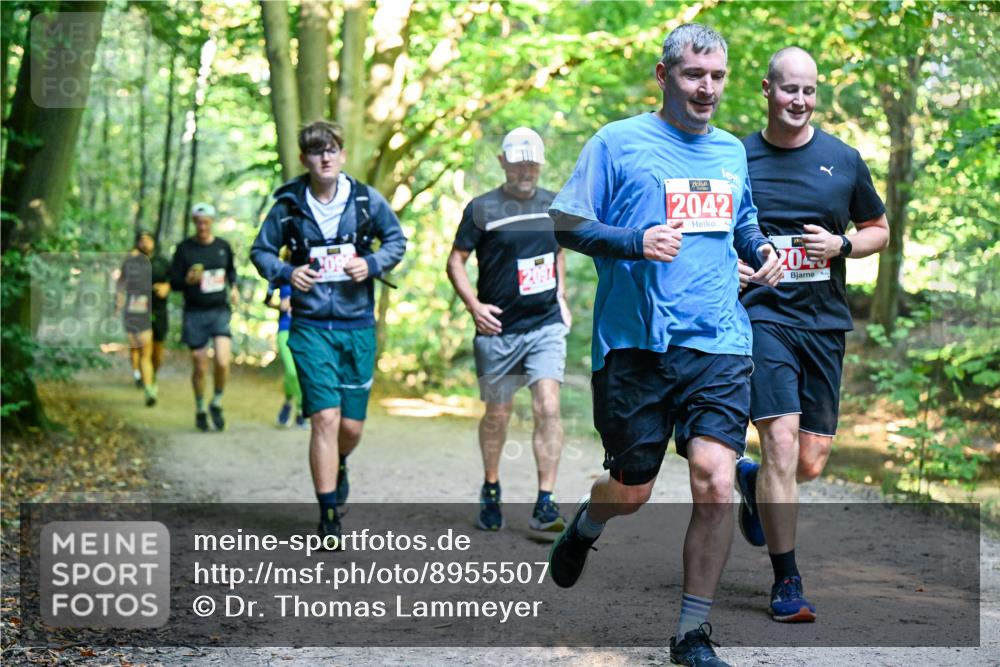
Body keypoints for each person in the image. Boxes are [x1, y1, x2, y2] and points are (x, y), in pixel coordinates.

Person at [546, 24, 782, 667]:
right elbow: (564, 224)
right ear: (664, 75)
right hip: (636, 347)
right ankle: (588, 523)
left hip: (719, 339)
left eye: (717, 76)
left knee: (714, 479)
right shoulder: (616, 142)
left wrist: (760, 249)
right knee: (632, 490)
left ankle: (691, 634)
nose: (707, 88)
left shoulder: (731, 151)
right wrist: (634, 241)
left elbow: (742, 220)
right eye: (693, 75)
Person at [734, 46, 889, 623]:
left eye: (808, 91)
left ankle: (753, 483)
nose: (799, 100)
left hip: (823, 322)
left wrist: (841, 244)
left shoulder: (842, 160)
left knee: (810, 461)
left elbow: (878, 229)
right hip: (762, 315)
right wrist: (732, 266)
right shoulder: (736, 156)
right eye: (788, 89)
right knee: (779, 441)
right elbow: (709, 230)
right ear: (767, 90)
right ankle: (787, 580)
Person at [250, 120, 406, 543]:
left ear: (342, 155)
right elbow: (260, 250)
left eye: (332, 149)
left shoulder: (365, 200)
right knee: (324, 418)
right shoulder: (288, 205)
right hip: (310, 326)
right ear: (304, 158)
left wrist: (371, 264)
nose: (325, 157)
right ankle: (328, 515)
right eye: (317, 151)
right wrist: (287, 272)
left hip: (357, 326)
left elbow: (396, 241)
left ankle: (340, 463)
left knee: (350, 428)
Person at [446, 128, 571, 537]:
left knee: (548, 406)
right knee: (497, 415)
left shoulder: (554, 205)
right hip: (498, 329)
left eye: (532, 165)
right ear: (503, 163)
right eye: (518, 165)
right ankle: (491, 487)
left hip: (544, 324)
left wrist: (561, 294)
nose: (525, 172)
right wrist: (474, 306)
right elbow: (455, 261)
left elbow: (558, 252)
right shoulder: (482, 208)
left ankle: (545, 501)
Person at [169, 203, 239, 432]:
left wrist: (234, 288)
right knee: (199, 365)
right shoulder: (184, 249)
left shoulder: (222, 246)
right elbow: (173, 282)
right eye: (198, 222)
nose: (202, 226)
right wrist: (187, 280)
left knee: (222, 360)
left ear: (212, 222)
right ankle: (200, 408)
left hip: (219, 310)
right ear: (194, 222)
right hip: (194, 312)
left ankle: (216, 401)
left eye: (206, 222)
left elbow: (231, 271)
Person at [264, 250, 306, 429]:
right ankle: (290, 402)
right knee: (292, 372)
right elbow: (267, 300)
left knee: (303, 372)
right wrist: (279, 306)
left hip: (307, 329)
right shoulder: (279, 272)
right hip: (285, 328)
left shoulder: (311, 269)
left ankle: (299, 410)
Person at [116, 230, 158, 406]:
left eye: (149, 240)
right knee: (135, 349)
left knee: (145, 352)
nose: (145, 243)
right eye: (142, 240)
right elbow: (121, 283)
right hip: (131, 312)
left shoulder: (156, 263)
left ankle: (148, 389)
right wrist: (118, 302)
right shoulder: (130, 260)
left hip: (146, 314)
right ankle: (137, 374)